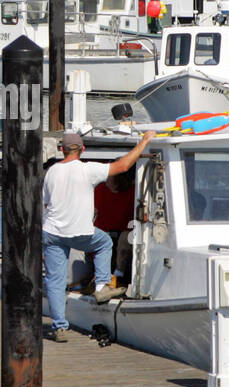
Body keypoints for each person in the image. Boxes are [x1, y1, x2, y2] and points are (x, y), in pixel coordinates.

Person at [43, 129, 155, 342]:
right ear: (82, 150)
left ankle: (59, 326)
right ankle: (102, 287)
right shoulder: (88, 170)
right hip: (79, 231)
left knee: (55, 281)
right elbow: (122, 166)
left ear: (61, 150)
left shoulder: (52, 172)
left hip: (52, 232)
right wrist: (144, 142)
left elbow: (47, 203)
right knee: (103, 242)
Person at [93, 169, 136, 288]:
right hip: (102, 231)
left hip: (125, 231)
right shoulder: (100, 189)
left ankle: (119, 274)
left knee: (125, 239)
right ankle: (96, 279)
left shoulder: (134, 191)